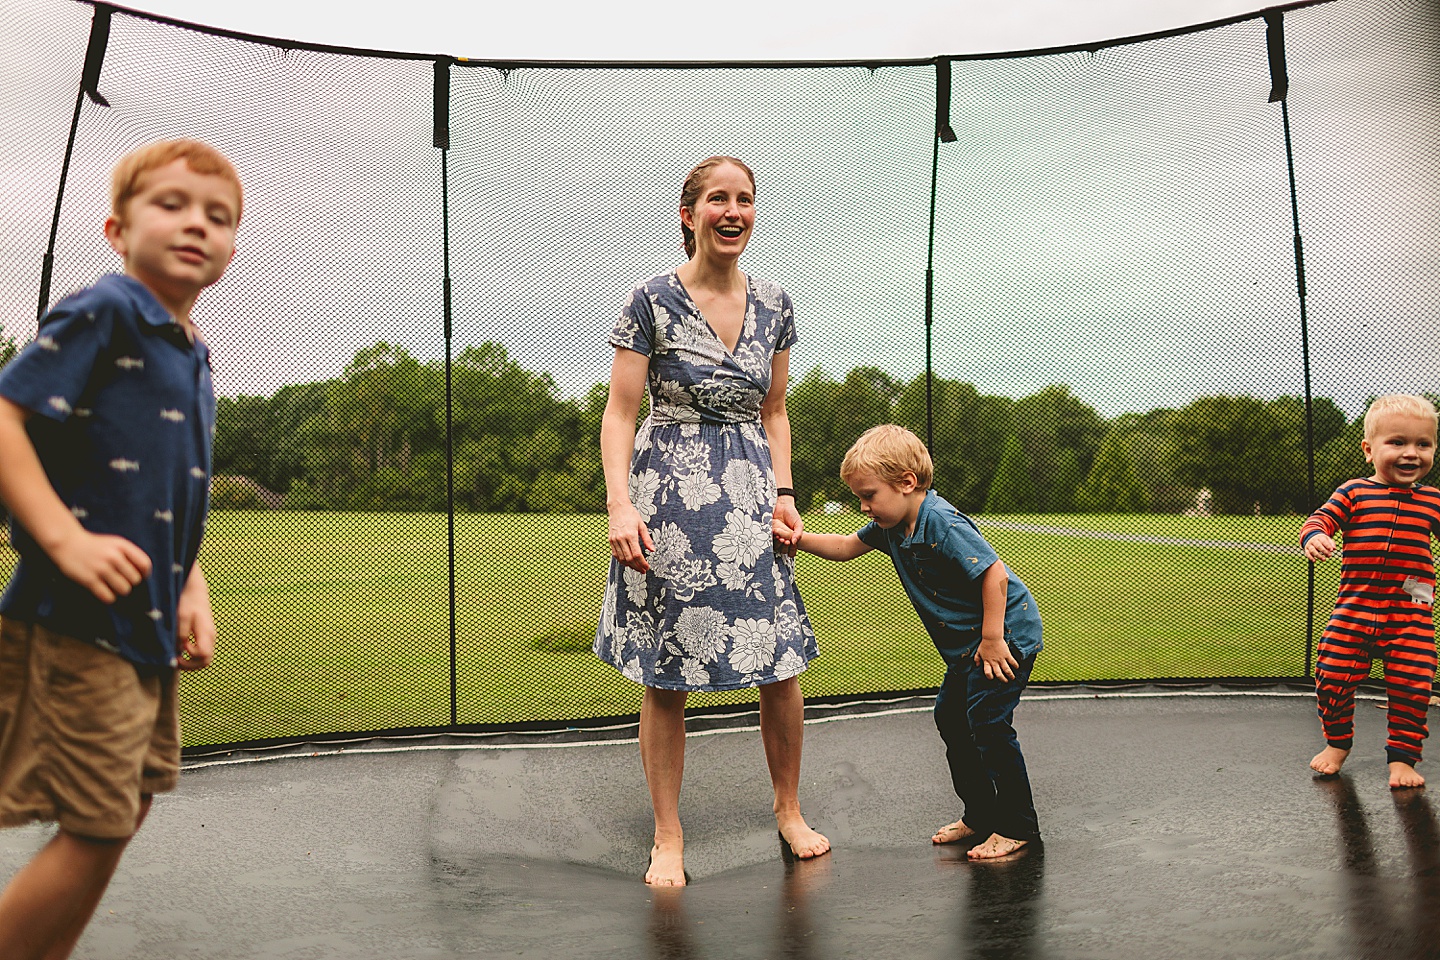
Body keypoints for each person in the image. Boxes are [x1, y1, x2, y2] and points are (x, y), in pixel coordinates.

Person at [0, 139, 240, 959]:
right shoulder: (105, 310)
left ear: (232, 249)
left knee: (126, 807)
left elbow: (170, 494)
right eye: (170, 205)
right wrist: (64, 539)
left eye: (218, 216)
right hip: (77, 621)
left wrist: (191, 590)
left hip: (145, 628)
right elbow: (5, 421)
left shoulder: (194, 351)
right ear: (115, 228)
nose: (195, 225)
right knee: (97, 825)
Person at [595, 155, 829, 886]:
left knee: (780, 664)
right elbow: (620, 412)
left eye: (746, 200)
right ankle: (668, 835)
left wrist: (786, 493)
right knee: (667, 674)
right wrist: (620, 504)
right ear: (688, 215)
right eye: (718, 199)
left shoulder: (776, 303)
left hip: (753, 502)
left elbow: (777, 409)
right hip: (669, 501)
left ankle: (788, 811)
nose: (734, 211)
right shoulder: (651, 300)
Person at [775, 424, 1042, 860]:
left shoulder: (939, 521)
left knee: (989, 725)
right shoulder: (891, 526)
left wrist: (993, 638)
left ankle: (1016, 825)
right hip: (965, 648)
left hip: (1003, 637)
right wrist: (796, 540)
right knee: (952, 720)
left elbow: (994, 573)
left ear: (906, 483)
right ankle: (980, 814)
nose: (864, 506)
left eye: (869, 495)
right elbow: (844, 547)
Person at [1302, 393, 1439, 789]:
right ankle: (1338, 743)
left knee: (1413, 686)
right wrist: (1315, 537)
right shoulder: (1354, 493)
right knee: (1331, 674)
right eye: (1397, 442)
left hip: (1411, 615)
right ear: (1369, 449)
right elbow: (1321, 519)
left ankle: (1402, 759)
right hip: (1355, 610)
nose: (1411, 453)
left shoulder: (1433, 501)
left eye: (1423, 444)